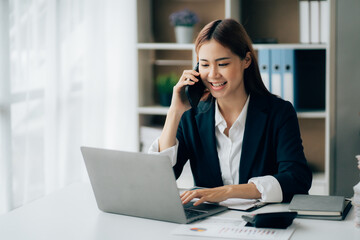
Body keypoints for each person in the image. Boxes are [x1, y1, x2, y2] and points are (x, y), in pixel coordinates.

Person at [149, 19, 312, 206]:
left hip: (260, 222)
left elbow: (297, 179)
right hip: (209, 226)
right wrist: (174, 112)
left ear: (246, 61)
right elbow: (159, 179)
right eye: (204, 64)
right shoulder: (192, 116)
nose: (213, 74)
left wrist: (228, 192)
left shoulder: (279, 112)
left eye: (223, 64)